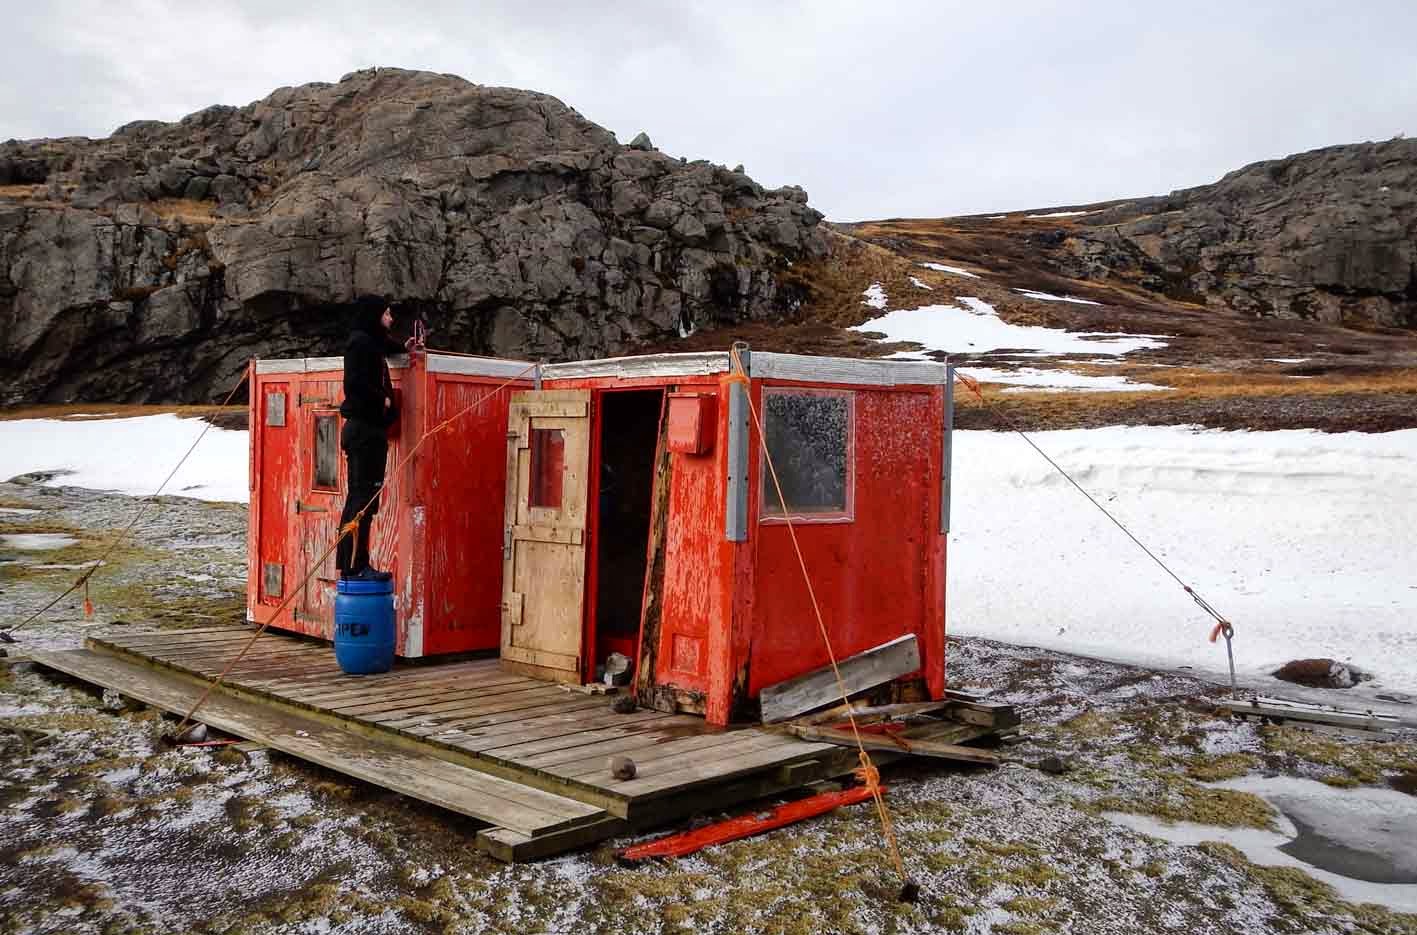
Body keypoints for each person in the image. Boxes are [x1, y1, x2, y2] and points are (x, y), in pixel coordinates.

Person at [336, 298, 421, 580]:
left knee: (363, 500)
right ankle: (355, 566)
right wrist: (382, 400)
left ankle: (355, 564)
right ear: (375, 315)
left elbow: (384, 346)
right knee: (362, 501)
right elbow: (354, 383)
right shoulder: (359, 343)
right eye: (386, 313)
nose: (390, 319)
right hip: (364, 429)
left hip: (365, 430)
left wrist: (404, 348)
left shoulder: (368, 340)